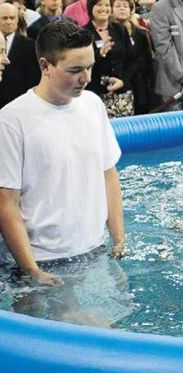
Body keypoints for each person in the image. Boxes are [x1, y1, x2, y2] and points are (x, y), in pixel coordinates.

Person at [0, 20, 125, 286]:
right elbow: (6, 202)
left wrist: (119, 240)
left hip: (95, 248)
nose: (87, 78)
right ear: (45, 66)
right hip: (43, 258)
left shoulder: (92, 105)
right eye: (75, 70)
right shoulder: (12, 120)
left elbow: (109, 175)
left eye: (89, 67)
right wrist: (33, 271)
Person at [84, 0, 135, 117]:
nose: (104, 8)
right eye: (99, 4)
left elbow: (132, 60)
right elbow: (82, 64)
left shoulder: (120, 29)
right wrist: (99, 53)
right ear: (91, 8)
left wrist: (123, 81)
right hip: (96, 94)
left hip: (122, 94)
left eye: (107, 5)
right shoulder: (84, 33)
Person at [111, 0, 157, 114]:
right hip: (117, 82)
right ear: (111, 10)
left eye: (125, 6)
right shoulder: (108, 32)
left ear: (131, 10)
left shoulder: (142, 33)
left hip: (140, 84)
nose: (122, 8)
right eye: (118, 6)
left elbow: (148, 60)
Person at [0, 2, 40, 108]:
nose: (9, 22)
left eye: (12, 18)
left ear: (18, 20)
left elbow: (34, 78)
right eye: (4, 18)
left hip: (18, 103)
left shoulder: (31, 46)